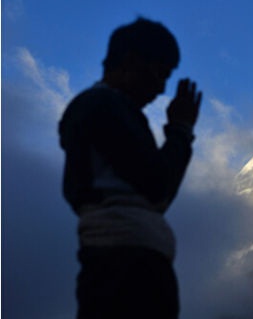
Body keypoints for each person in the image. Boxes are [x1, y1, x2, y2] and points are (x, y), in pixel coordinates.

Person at [58, 17, 201, 319]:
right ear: (131, 61)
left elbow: (157, 197)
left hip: (125, 261)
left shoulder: (110, 111)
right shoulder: (103, 107)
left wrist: (181, 132)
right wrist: (179, 130)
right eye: (158, 72)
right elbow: (157, 185)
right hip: (126, 268)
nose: (161, 87)